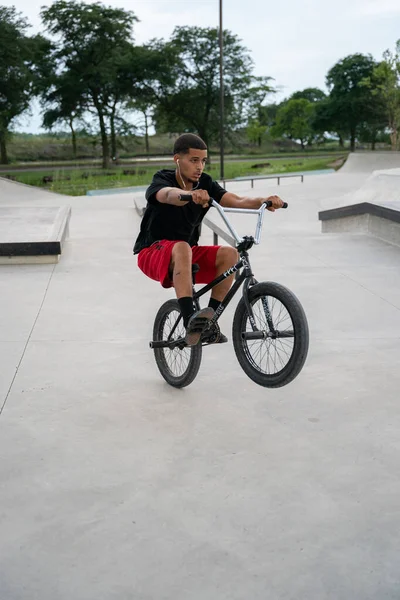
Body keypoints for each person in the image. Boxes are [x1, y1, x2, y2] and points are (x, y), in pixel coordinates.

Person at [134, 133, 284, 346]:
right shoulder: (163, 179)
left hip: (186, 253)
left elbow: (238, 200)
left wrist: (265, 200)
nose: (200, 167)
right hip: (152, 253)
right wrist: (188, 196)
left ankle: (207, 323)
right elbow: (167, 195)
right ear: (178, 159)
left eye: (203, 161)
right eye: (194, 160)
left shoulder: (205, 184)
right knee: (182, 247)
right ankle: (189, 319)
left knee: (230, 254)